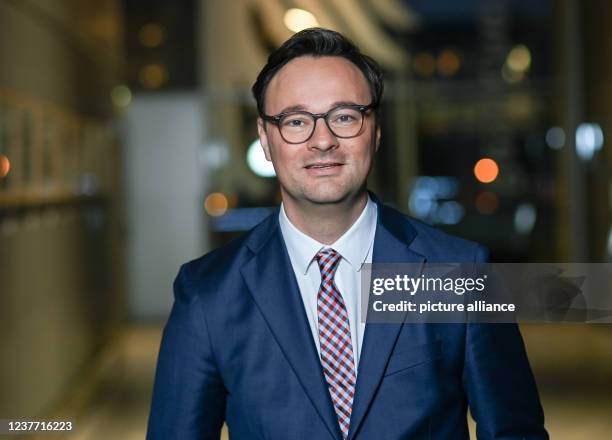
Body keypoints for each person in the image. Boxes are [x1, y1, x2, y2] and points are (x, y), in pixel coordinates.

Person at [147, 28, 548, 440]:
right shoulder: (207, 294)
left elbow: (516, 431)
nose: (323, 141)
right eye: (296, 121)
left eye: (344, 117)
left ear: (375, 130)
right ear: (266, 139)